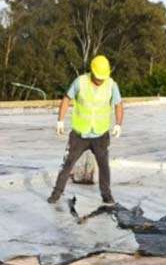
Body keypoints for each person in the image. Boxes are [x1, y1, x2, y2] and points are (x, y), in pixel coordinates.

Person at [47, 55, 124, 205]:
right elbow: (66, 99)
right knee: (68, 163)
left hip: (100, 134)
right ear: (92, 72)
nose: (100, 80)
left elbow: (118, 104)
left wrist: (118, 124)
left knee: (103, 165)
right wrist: (60, 121)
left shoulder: (111, 85)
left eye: (103, 77)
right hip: (79, 134)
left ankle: (106, 195)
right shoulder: (80, 82)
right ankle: (56, 193)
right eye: (98, 77)